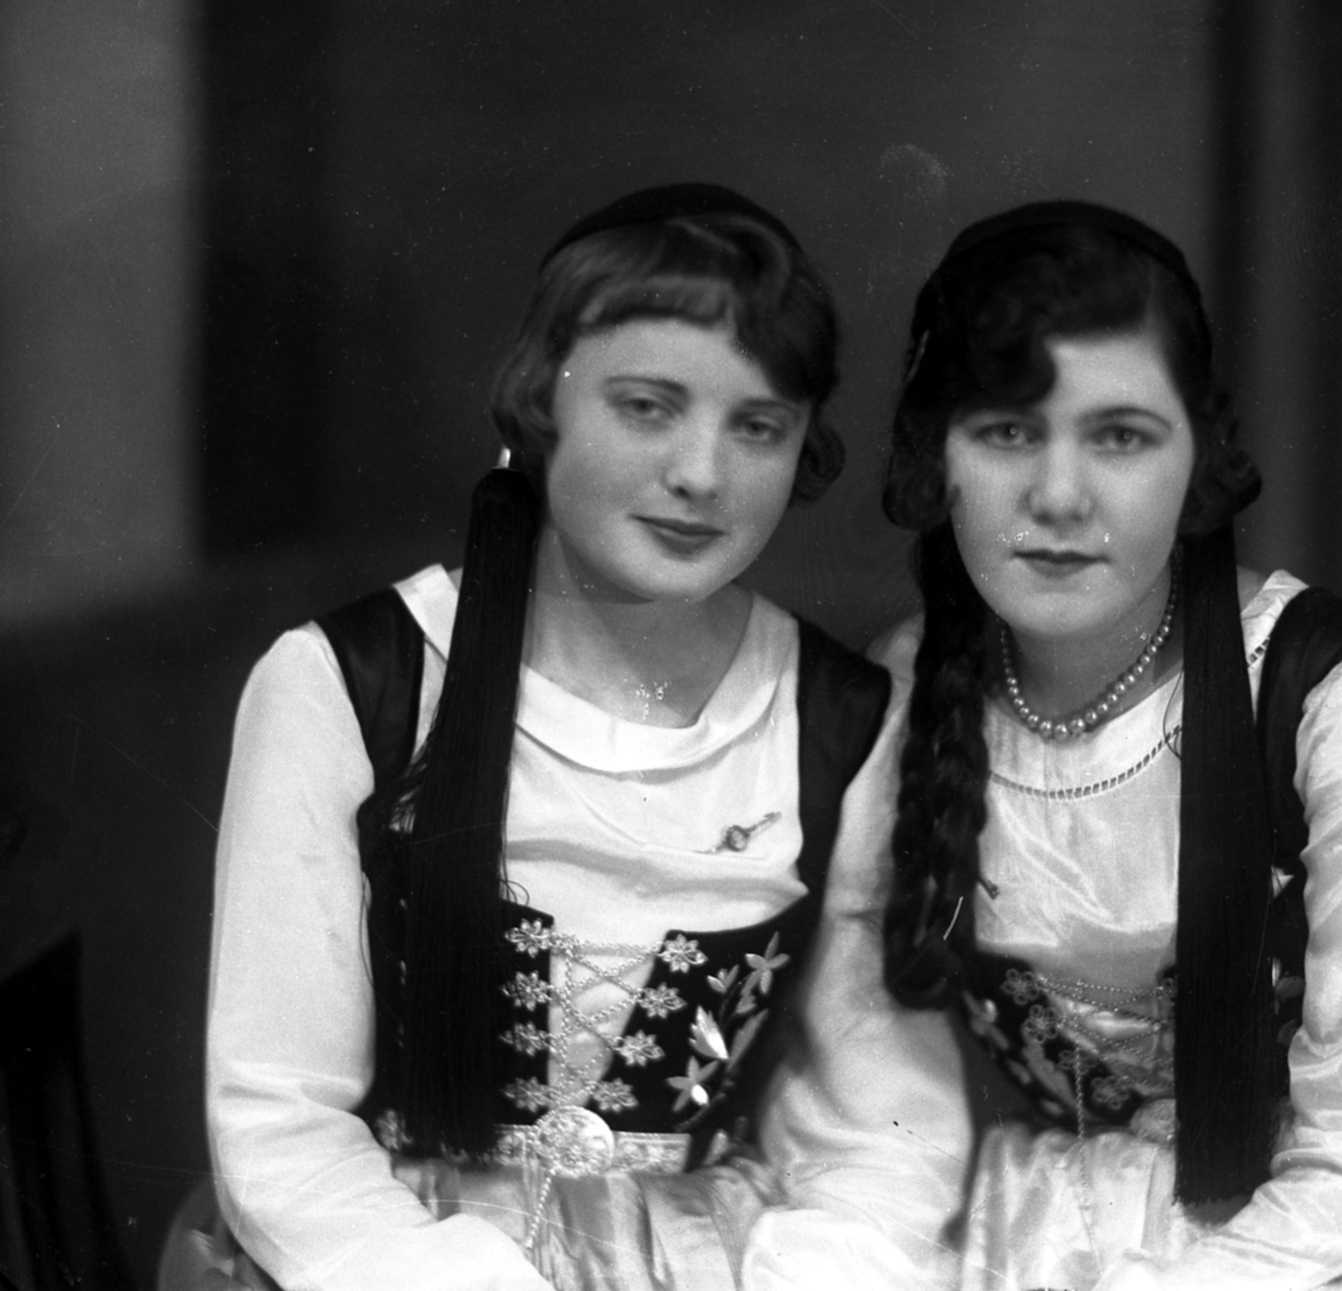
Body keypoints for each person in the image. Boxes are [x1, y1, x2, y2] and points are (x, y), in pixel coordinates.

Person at [754, 201, 1342, 1291]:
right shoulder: (905, 691)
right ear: (933, 452)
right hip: (1049, 1221)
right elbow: (880, 1110)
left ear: (1197, 457)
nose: (1058, 496)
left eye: (1119, 436)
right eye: (1005, 431)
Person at [162, 184, 901, 1291]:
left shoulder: (839, 718)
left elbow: (877, 1135)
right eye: (647, 407)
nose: (701, 474)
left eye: (758, 426)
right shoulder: (348, 683)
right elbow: (280, 1112)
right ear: (541, 397)